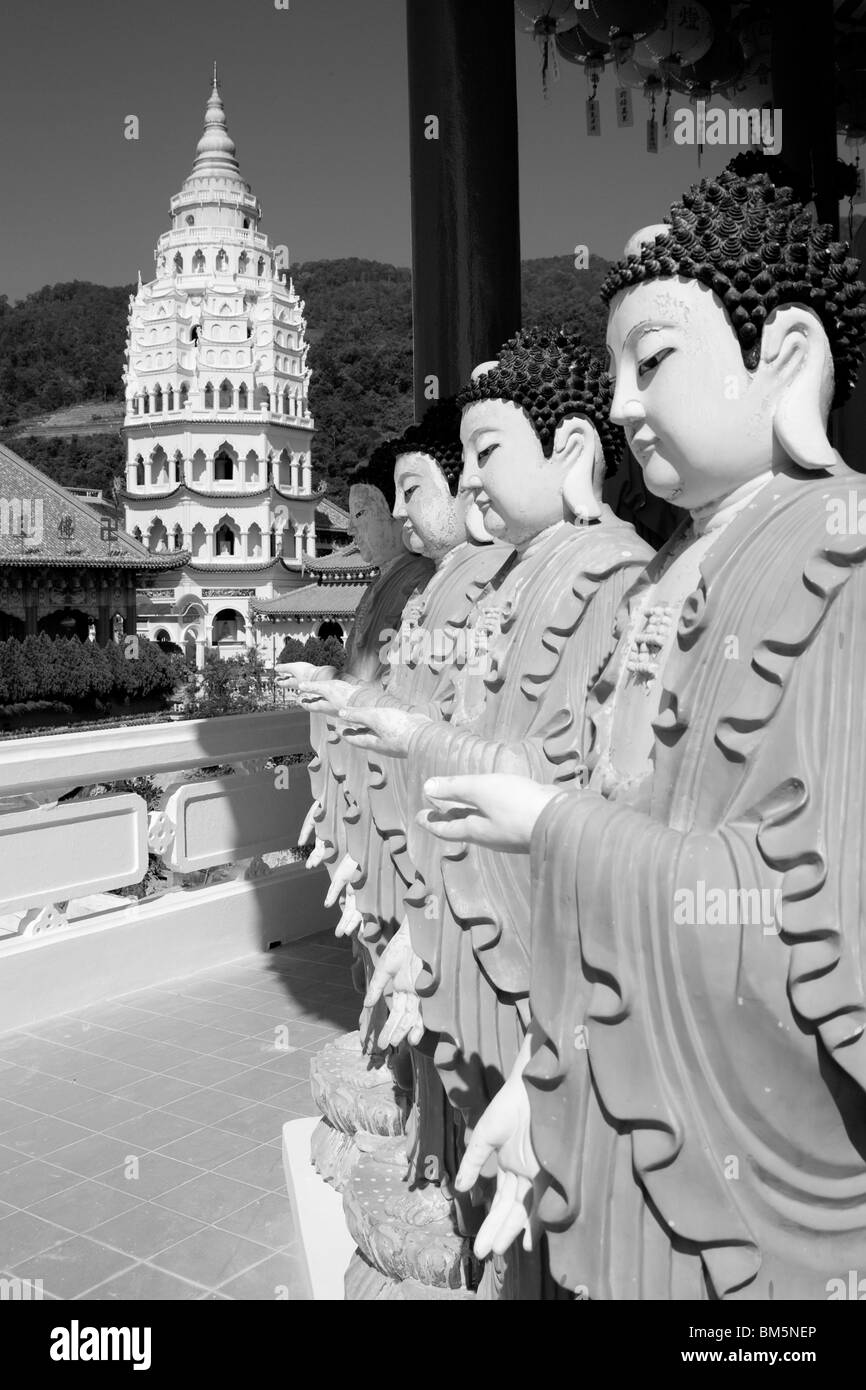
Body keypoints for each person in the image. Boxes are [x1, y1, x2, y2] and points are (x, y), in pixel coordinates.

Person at [419, 170, 866, 1300]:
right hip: (603, 1043)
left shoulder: (843, 558)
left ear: (786, 359)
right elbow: (601, 797)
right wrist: (547, 1058)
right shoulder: (660, 572)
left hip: (741, 1113)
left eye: (652, 361)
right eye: (612, 374)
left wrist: (559, 829)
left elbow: (796, 905)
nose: (622, 406)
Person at [340, 329, 653, 1295]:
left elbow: (556, 770)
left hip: (541, 912)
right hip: (457, 879)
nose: (470, 485)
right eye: (463, 461)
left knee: (555, 1169)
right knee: (457, 1082)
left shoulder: (613, 573)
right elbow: (476, 723)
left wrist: (413, 740)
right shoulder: (507, 575)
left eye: (486, 455)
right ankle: (454, 1206)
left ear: (570, 455)